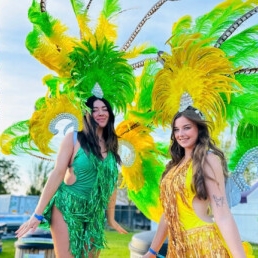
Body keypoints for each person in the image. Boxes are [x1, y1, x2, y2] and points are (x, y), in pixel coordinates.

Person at [15, 95, 127, 258]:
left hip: (94, 213)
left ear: (110, 114)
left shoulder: (112, 144)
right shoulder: (74, 138)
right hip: (67, 207)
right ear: (87, 115)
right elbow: (57, 173)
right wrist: (37, 213)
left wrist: (111, 218)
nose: (100, 113)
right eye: (95, 110)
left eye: (104, 109)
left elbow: (111, 184)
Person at [143, 106, 249, 258]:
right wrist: (152, 252)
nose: (181, 134)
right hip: (178, 250)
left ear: (199, 129)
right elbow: (169, 213)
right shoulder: (173, 167)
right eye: (176, 129)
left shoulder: (208, 160)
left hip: (204, 246)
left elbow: (222, 213)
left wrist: (240, 256)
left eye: (187, 128)